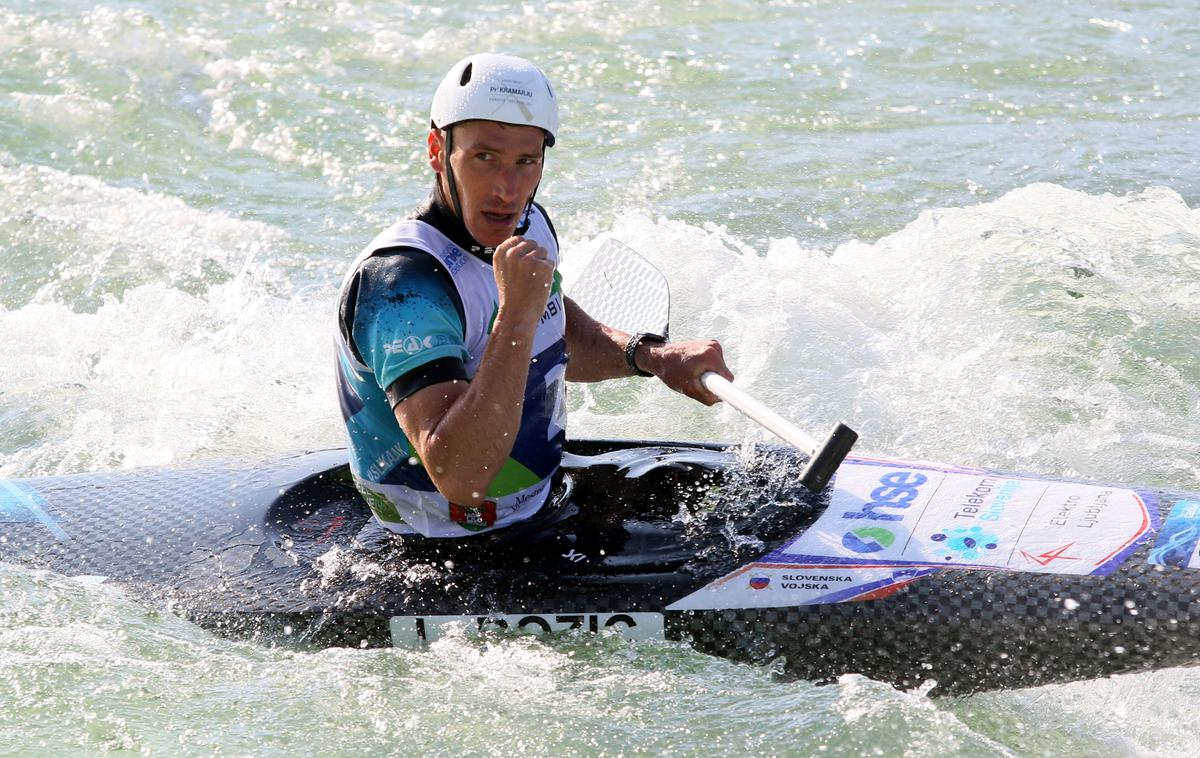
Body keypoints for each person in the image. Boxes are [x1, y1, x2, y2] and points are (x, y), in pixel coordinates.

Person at [336, 53, 733, 538]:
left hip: (541, 502)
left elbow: (553, 331)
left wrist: (650, 356)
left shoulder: (529, 226)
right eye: (485, 157)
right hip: (443, 545)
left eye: (526, 162)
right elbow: (461, 477)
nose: (508, 189)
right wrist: (516, 314)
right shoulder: (402, 287)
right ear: (438, 151)